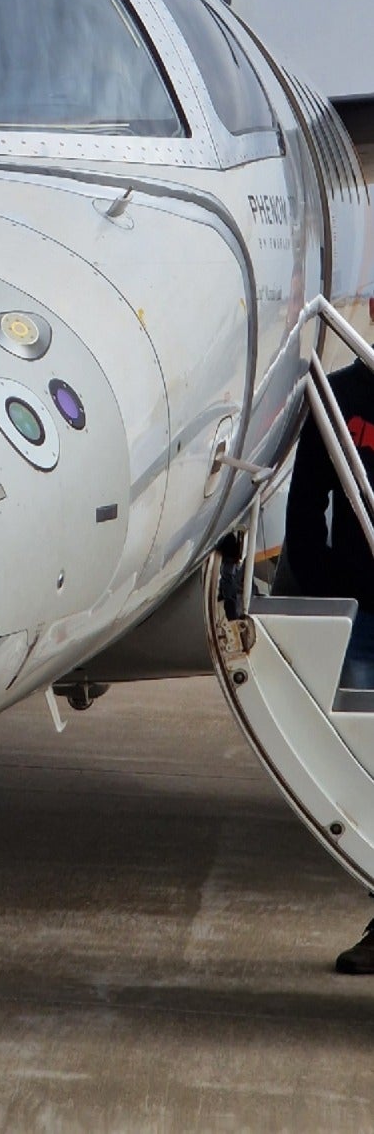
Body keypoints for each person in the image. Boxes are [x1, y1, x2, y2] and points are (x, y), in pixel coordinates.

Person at [283, 356, 374, 972]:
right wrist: (330, 590)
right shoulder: (338, 394)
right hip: (363, 617)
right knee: (368, 777)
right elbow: (305, 506)